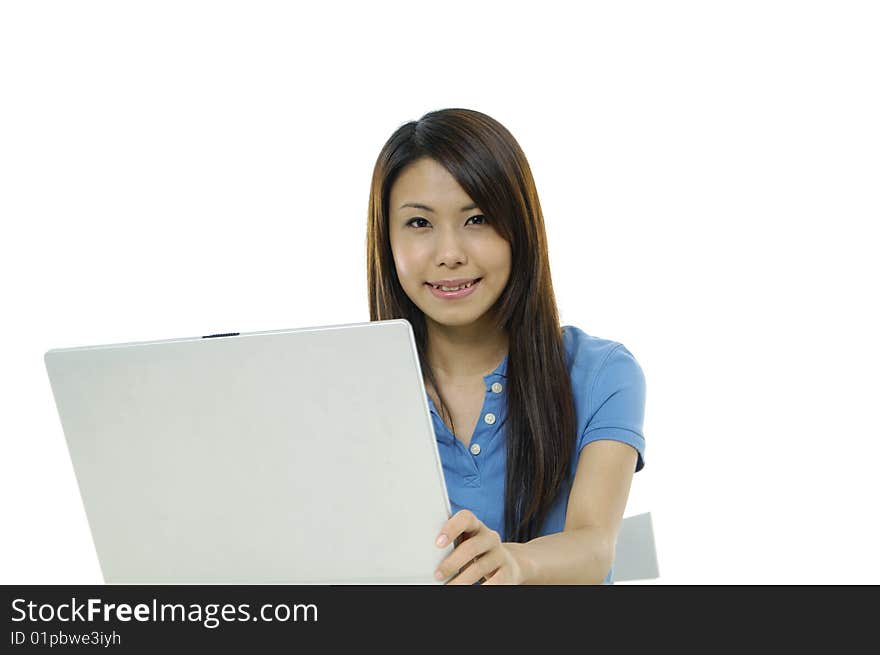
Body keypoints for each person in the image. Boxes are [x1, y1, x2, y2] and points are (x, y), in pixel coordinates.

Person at [366, 108, 647, 585]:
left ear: (520, 229)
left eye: (476, 219)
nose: (449, 253)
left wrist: (516, 562)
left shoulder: (600, 372)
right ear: (386, 240)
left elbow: (595, 545)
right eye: (419, 224)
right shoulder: (352, 388)